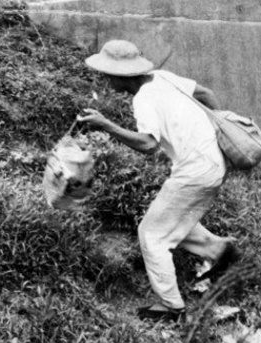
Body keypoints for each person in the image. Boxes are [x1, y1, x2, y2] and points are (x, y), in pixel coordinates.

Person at [77, 39, 240, 323]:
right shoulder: (164, 77)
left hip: (195, 173)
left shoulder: (143, 99)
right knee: (172, 217)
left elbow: (148, 144)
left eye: (106, 74)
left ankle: (171, 307)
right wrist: (218, 127)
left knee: (151, 235)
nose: (103, 80)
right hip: (213, 163)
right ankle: (218, 249)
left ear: (120, 75)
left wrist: (106, 125)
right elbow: (206, 93)